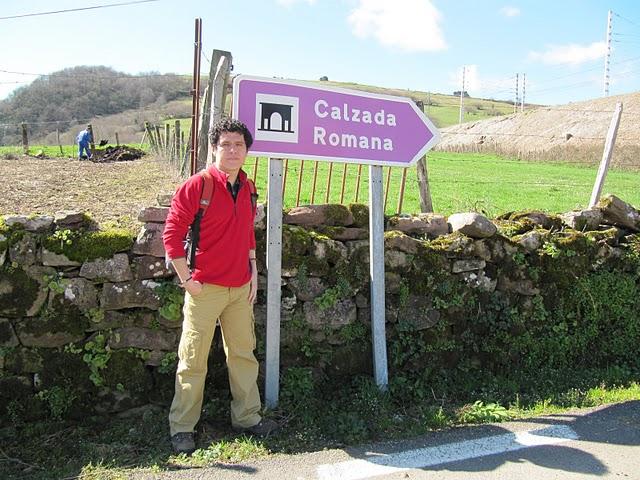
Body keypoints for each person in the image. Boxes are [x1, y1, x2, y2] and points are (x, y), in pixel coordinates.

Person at [162, 118, 277, 455]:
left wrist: (253, 269)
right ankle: (182, 428)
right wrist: (188, 281)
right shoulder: (197, 186)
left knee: (243, 355)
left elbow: (246, 233)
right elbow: (171, 235)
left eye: (238, 145)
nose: (232, 150)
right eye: (225, 144)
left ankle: (248, 418)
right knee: (193, 359)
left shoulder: (249, 187)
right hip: (204, 289)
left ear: (246, 151)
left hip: (240, 288)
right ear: (213, 149)